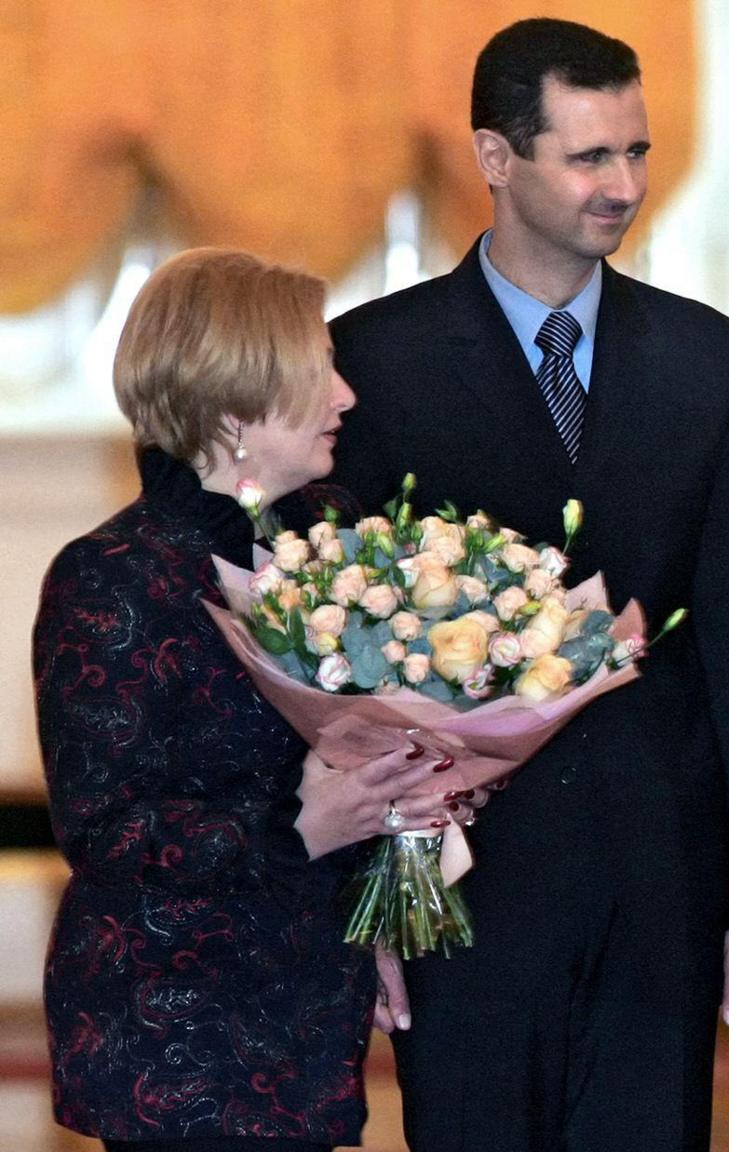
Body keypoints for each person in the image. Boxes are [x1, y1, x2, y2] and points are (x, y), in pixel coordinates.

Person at [326, 17, 729, 1152]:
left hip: (663, 886)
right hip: (462, 892)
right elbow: (334, 661)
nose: (623, 185)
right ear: (496, 157)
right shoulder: (370, 360)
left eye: (635, 152)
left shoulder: (709, 359)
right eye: (590, 156)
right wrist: (366, 904)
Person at [33, 247, 475, 1151]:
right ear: (235, 407)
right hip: (177, 1039)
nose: (346, 396)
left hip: (310, 1010)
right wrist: (297, 826)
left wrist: (393, 877)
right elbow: (107, 831)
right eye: (319, 371)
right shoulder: (113, 577)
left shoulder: (332, 542)